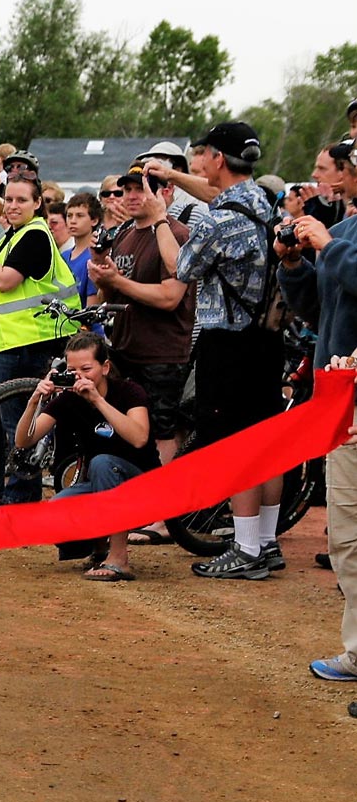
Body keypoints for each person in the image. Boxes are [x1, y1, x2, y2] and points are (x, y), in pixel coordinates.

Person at [149, 122, 284, 579]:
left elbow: (178, 267)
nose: (198, 163)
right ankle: (266, 542)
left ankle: (244, 550)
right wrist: (171, 179)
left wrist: (158, 219)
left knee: (233, 446)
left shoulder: (213, 222)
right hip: (265, 340)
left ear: (218, 160)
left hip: (226, 345)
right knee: (266, 445)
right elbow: (219, 195)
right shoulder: (261, 203)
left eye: (202, 155)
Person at [274, 140, 357, 676]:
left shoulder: (341, 237)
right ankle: (356, 651)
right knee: (346, 533)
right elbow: (320, 307)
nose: (341, 174)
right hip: (340, 400)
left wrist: (328, 246)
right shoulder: (347, 231)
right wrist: (295, 265)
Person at [0, 174, 83, 503]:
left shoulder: (34, 236)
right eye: (10, 200)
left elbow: (3, 281)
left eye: (21, 200)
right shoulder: (10, 237)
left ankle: (21, 496)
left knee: (14, 423)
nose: (13, 206)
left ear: (36, 204)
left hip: (24, 342)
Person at [14, 332, 158, 581]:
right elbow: (24, 439)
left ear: (105, 367)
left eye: (86, 368)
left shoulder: (129, 391)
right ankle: (99, 548)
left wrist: (98, 401)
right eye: (72, 369)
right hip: (102, 483)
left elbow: (139, 437)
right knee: (57, 508)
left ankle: (119, 558)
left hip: (144, 485)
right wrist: (34, 400)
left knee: (102, 463)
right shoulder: (69, 398)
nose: (79, 376)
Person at [90, 165, 193, 475]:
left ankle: (163, 515)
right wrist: (104, 280)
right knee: (127, 428)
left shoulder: (175, 233)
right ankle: (132, 502)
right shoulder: (123, 234)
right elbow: (112, 295)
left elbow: (170, 296)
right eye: (127, 189)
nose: (132, 196)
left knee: (163, 432)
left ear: (164, 193)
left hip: (162, 353)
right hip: (124, 349)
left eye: (141, 189)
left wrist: (118, 283)